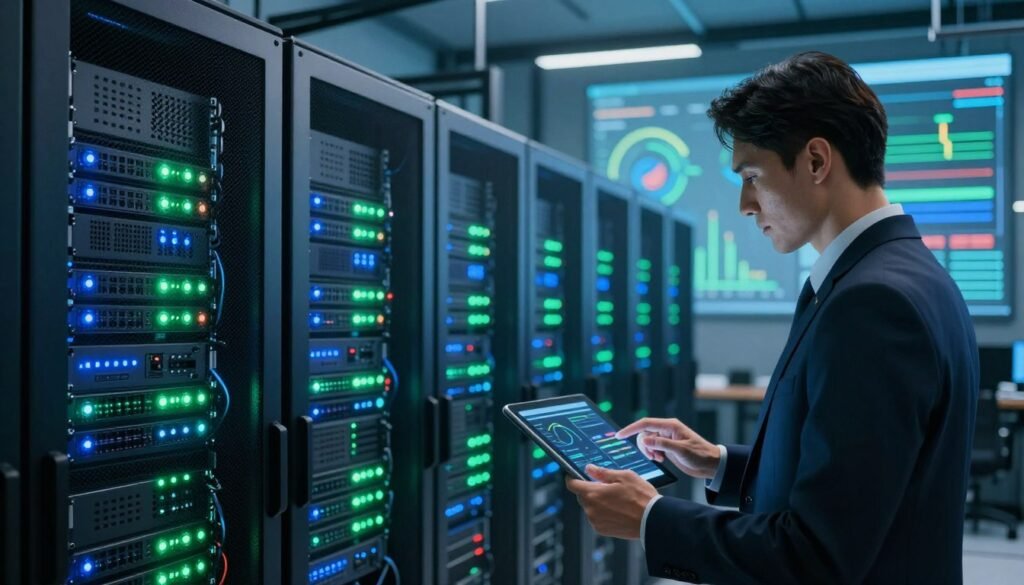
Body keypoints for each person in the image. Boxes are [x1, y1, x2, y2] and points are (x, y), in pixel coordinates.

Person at [565, 51, 979, 584]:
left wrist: (650, 518)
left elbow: (818, 556)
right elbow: (865, 486)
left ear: (815, 161)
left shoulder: (872, 304)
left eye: (753, 176)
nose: (745, 204)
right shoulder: (901, 274)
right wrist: (721, 462)